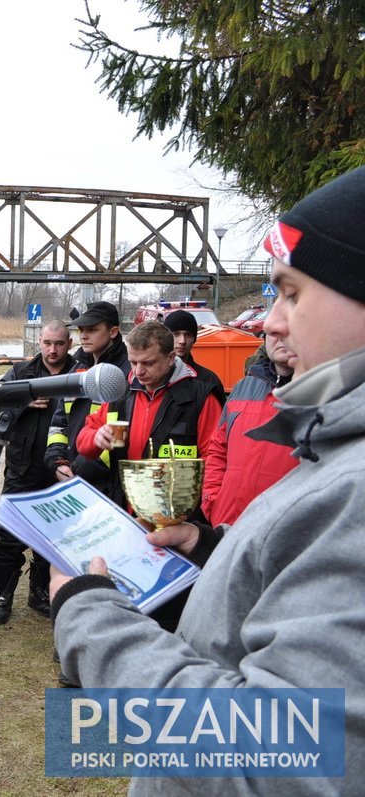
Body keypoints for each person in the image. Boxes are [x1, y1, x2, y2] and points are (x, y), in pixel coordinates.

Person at [50, 162, 365, 797]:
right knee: (77, 736)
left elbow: (287, 759)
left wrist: (89, 617)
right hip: (156, 528)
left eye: (293, 292)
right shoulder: (334, 451)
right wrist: (216, 547)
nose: (271, 322)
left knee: (80, 733)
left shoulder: (353, 489)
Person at [74, 321, 222, 509]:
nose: (138, 371)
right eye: (133, 362)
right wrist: (96, 437)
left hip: (176, 514)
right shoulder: (121, 392)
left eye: (148, 363)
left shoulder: (200, 397)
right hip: (125, 508)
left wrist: (207, 509)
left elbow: (215, 458)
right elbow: (85, 438)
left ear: (170, 358)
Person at [0, 320, 74, 624]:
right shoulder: (22, 373)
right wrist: (23, 402)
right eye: (47, 343)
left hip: (60, 470)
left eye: (59, 344)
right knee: (8, 535)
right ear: (40, 343)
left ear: (69, 344)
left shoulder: (79, 373)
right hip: (21, 468)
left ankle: (41, 593)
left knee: (52, 537)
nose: (52, 350)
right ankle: (2, 595)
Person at [201, 332, 297, 527]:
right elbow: (218, 449)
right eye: (273, 331)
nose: (279, 333)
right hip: (226, 526)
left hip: (284, 537)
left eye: (291, 326)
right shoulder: (244, 386)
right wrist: (212, 501)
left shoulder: (329, 394)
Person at [43, 300, 130, 493]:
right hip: (72, 477)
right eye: (81, 330)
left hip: (108, 484)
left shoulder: (126, 374)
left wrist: (77, 469)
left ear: (113, 332)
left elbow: (117, 436)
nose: (84, 336)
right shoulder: (77, 369)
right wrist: (57, 462)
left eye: (92, 329)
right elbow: (59, 424)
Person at [161, 310, 227, 404]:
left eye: (188, 335)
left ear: (194, 339)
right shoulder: (155, 377)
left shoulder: (208, 380)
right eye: (176, 334)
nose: (182, 341)